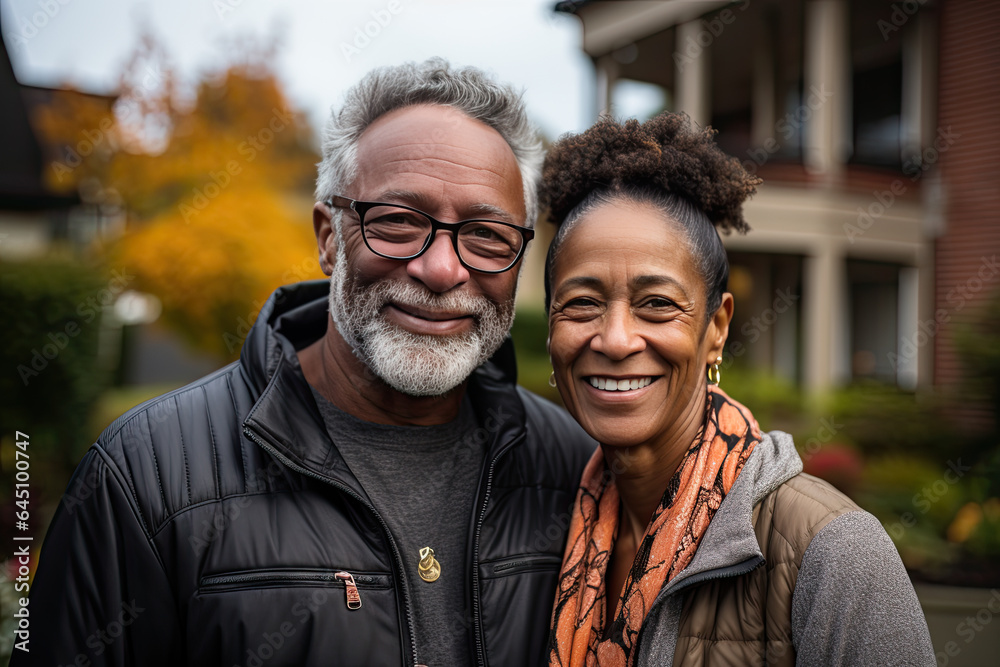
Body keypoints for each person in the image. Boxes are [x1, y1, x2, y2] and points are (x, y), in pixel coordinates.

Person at [15, 58, 595, 667]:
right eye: (397, 222)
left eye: (486, 235)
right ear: (326, 237)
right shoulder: (144, 477)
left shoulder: (572, 467)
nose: (443, 270)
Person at [540, 113, 936, 666]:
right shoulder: (542, 530)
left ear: (716, 330)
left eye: (657, 303)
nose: (615, 339)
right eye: (582, 302)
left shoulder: (834, 552)